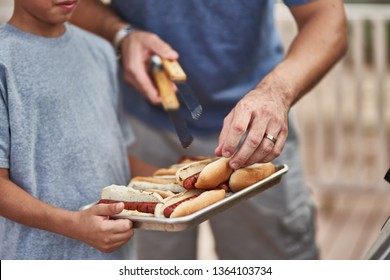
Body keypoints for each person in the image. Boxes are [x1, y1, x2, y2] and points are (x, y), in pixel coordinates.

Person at [71, 0, 348, 259]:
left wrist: (276, 93)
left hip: (258, 132)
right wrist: (122, 34)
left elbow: (327, 19)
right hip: (143, 129)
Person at [0, 0, 156, 260]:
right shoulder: (5, 62)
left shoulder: (100, 51)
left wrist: (180, 182)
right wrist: (75, 225)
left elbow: (112, 155)